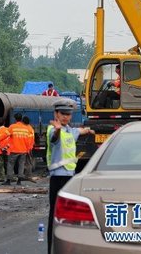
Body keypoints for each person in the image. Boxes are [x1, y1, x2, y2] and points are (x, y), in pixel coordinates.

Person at [46, 99, 95, 254]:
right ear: (56, 114)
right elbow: (54, 138)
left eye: (68, 114)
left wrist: (88, 130)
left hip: (69, 178)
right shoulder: (52, 130)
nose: (66, 117)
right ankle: (52, 249)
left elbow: (79, 131)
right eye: (63, 114)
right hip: (58, 179)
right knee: (55, 216)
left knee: (70, 216)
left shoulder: (70, 130)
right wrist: (58, 129)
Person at [3, 113, 30, 186]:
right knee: (21, 165)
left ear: (15, 119)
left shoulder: (12, 127)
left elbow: (5, 135)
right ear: (21, 119)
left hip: (14, 150)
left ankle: (8, 181)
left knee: (10, 164)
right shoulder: (26, 128)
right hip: (23, 150)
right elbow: (27, 140)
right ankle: (19, 181)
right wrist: (28, 149)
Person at [0, 117, 11, 182]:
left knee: (0, 164)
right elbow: (11, 140)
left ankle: (2, 177)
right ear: (4, 123)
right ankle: (10, 176)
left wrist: (1, 148)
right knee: (8, 164)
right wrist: (6, 148)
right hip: (7, 150)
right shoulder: (8, 130)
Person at [22, 115, 35, 181]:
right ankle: (28, 176)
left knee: (22, 162)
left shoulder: (24, 129)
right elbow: (32, 139)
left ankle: (23, 176)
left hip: (24, 148)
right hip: (29, 148)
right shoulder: (31, 129)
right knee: (29, 162)